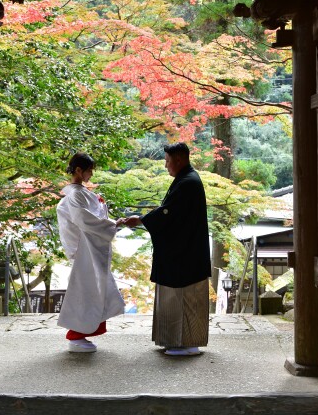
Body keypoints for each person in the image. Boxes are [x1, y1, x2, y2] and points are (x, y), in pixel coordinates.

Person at [123, 142, 211, 356]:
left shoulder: (188, 182)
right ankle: (175, 341)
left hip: (184, 255)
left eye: (167, 161)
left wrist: (141, 219)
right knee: (178, 299)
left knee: (183, 299)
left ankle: (186, 344)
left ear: (179, 160)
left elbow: (168, 213)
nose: (166, 165)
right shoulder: (186, 179)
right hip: (184, 251)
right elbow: (169, 213)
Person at [56, 153, 125, 353]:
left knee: (91, 290)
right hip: (85, 249)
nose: (91, 174)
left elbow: (91, 217)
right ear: (78, 170)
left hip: (89, 247)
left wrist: (106, 215)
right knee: (86, 291)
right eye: (89, 170)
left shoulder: (78, 193)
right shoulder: (76, 194)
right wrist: (112, 224)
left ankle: (79, 334)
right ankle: (75, 336)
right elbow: (84, 220)